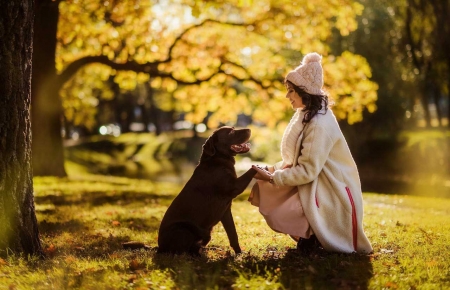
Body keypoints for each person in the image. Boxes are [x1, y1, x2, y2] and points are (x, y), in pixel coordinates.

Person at [249, 52, 372, 254]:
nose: (287, 96)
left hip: (333, 190)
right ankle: (310, 235)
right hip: (320, 181)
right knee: (266, 188)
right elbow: (299, 160)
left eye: (291, 91)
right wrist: (271, 170)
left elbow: (306, 171)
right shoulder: (308, 116)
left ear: (304, 91)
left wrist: (272, 176)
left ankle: (313, 236)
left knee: (274, 191)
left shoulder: (318, 125)